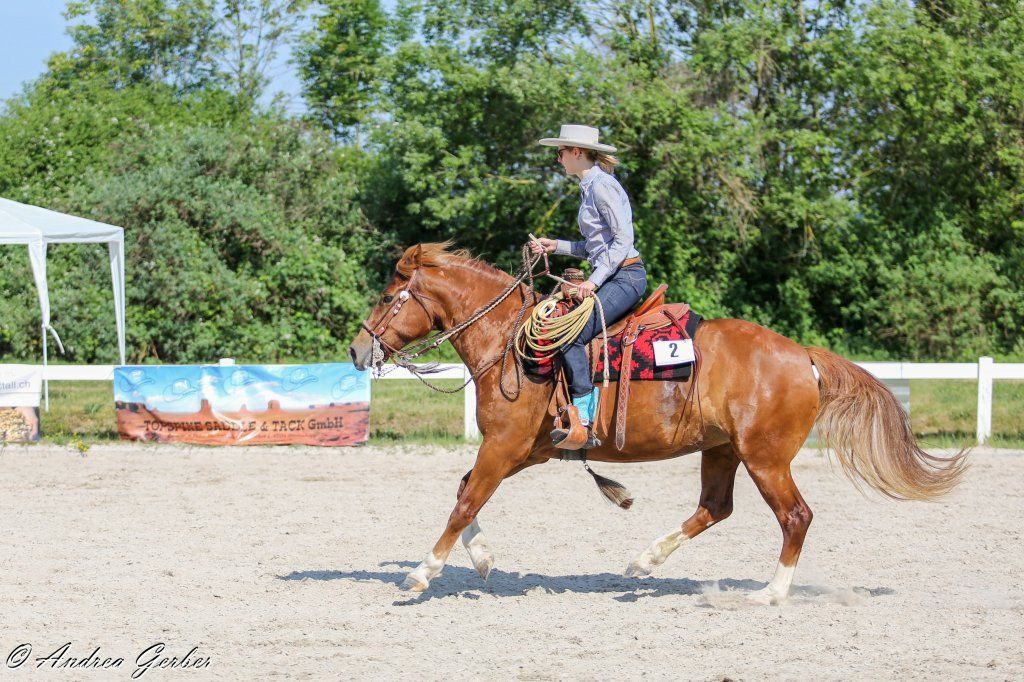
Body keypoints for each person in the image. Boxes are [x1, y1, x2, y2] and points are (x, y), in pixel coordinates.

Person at [531, 124, 647, 448]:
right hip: (615, 273)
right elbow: (595, 247)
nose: (558, 159)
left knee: (569, 333)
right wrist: (556, 245)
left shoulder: (601, 187)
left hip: (626, 277)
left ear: (576, 152)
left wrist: (593, 281)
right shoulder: (589, 187)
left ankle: (584, 414)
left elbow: (623, 240)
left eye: (560, 152)